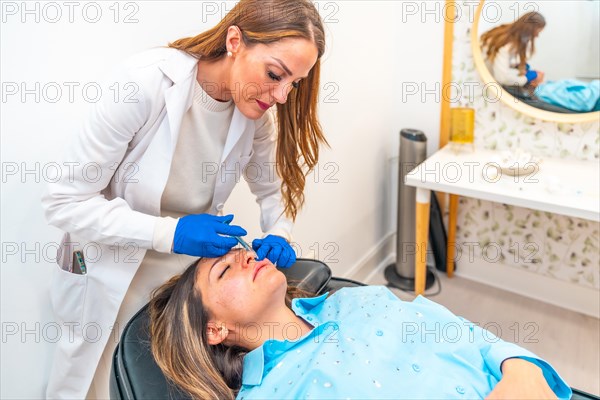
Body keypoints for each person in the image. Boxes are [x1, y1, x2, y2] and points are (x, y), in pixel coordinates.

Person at [41, 0, 327, 398]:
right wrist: (170, 233)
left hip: (182, 274)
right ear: (234, 41)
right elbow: (63, 202)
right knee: (90, 379)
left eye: (292, 83)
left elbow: (272, 190)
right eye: (275, 74)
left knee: (157, 383)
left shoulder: (253, 114)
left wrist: (279, 231)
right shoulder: (144, 83)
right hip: (109, 260)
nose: (281, 96)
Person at [148, 248, 572, 400]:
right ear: (214, 329)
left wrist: (525, 373)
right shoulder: (271, 394)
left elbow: (469, 334)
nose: (245, 256)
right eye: (224, 271)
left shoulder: (354, 299)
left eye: (240, 252)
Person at [481, 12, 546, 88]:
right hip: (482, 80)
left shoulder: (504, 30)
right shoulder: (506, 45)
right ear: (529, 30)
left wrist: (516, 66)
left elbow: (496, 58)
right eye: (537, 32)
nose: (537, 36)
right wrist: (527, 78)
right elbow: (502, 78)